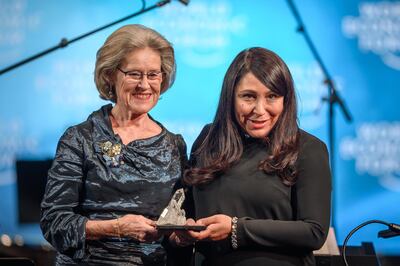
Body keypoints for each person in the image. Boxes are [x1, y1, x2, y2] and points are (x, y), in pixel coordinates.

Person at [40, 24, 187, 266]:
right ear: (110, 74)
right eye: (134, 74)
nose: (145, 84)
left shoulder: (174, 146)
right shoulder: (80, 138)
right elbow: (54, 222)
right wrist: (117, 228)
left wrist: (181, 235)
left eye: (153, 74)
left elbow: (176, 225)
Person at [170, 47, 332, 266]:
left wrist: (237, 228)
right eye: (248, 96)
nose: (260, 109)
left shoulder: (308, 149)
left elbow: (314, 232)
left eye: (272, 96)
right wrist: (183, 232)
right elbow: (187, 211)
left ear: (286, 100)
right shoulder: (209, 139)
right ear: (231, 97)